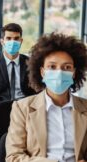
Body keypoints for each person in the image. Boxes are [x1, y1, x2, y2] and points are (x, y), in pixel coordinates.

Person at [6, 33, 87, 162]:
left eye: (67, 67)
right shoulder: (22, 108)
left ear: (74, 73)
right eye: (52, 67)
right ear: (42, 72)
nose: (59, 72)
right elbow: (13, 157)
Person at [0, 23, 35, 161]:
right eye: (9, 38)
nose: (12, 42)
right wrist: (0, 112)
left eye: (16, 38)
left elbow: (37, 94)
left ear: (21, 41)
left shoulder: (31, 63)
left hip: (26, 111)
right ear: (2, 41)